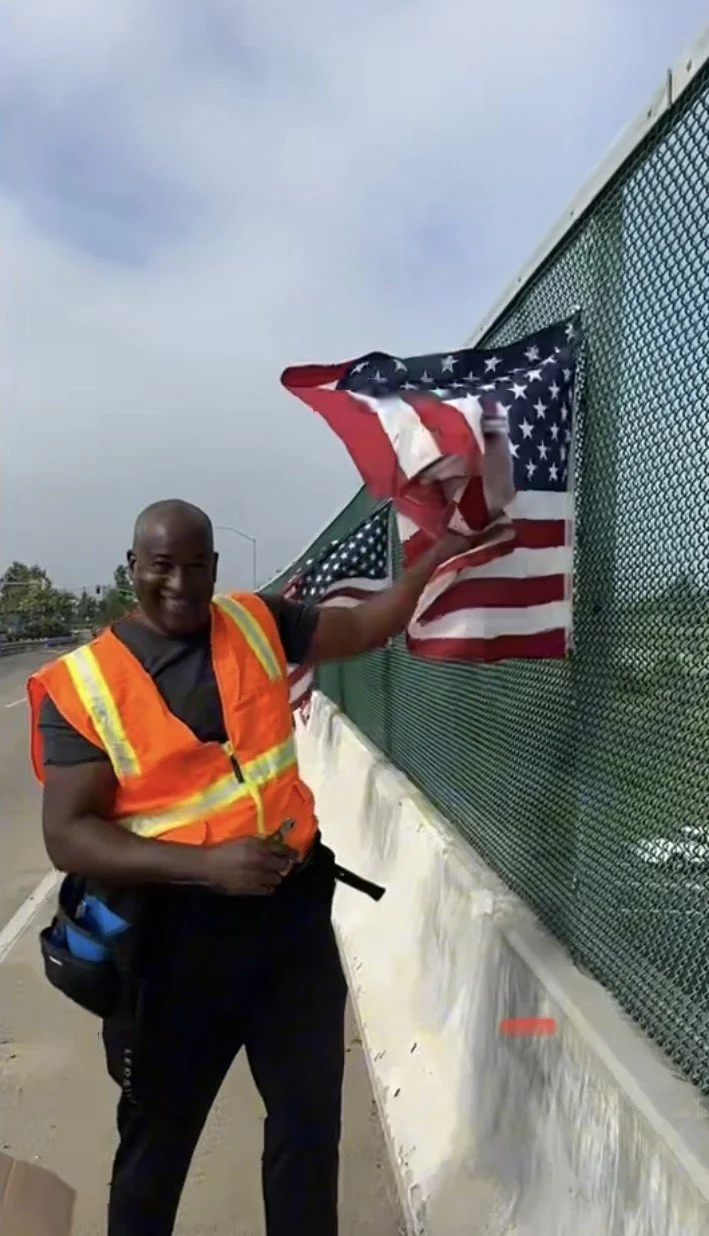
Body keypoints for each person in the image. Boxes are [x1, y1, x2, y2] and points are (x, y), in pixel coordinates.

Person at [27, 498, 471, 1236]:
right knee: (155, 1153)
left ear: (215, 568)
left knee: (306, 1137)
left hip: (287, 932)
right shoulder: (84, 687)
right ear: (132, 568)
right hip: (169, 953)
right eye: (161, 566)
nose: (179, 583)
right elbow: (68, 836)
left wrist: (443, 546)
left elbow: (367, 624)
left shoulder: (257, 623)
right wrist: (207, 867)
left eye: (196, 565)